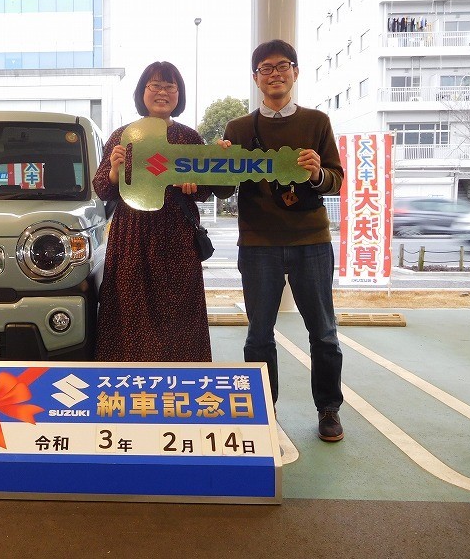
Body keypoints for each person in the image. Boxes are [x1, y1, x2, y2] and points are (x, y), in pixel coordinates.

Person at [217, 39, 346, 441]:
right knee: (259, 334)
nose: (275, 74)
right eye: (266, 68)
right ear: (255, 78)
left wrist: (316, 173)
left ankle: (328, 408)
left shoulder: (317, 121)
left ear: (296, 72)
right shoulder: (238, 129)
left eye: (283, 66)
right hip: (258, 242)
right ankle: (263, 411)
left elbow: (336, 180)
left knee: (323, 332)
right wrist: (222, 166)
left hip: (311, 240)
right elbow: (223, 191)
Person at [93, 61, 223, 362]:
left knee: (180, 312)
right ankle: (129, 380)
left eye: (170, 86)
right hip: (132, 236)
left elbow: (205, 190)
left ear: (179, 94)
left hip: (178, 236)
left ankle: (180, 380)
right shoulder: (123, 135)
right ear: (143, 91)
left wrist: (193, 185)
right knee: (130, 308)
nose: (162, 92)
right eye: (155, 85)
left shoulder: (190, 138)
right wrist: (114, 171)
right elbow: (102, 189)